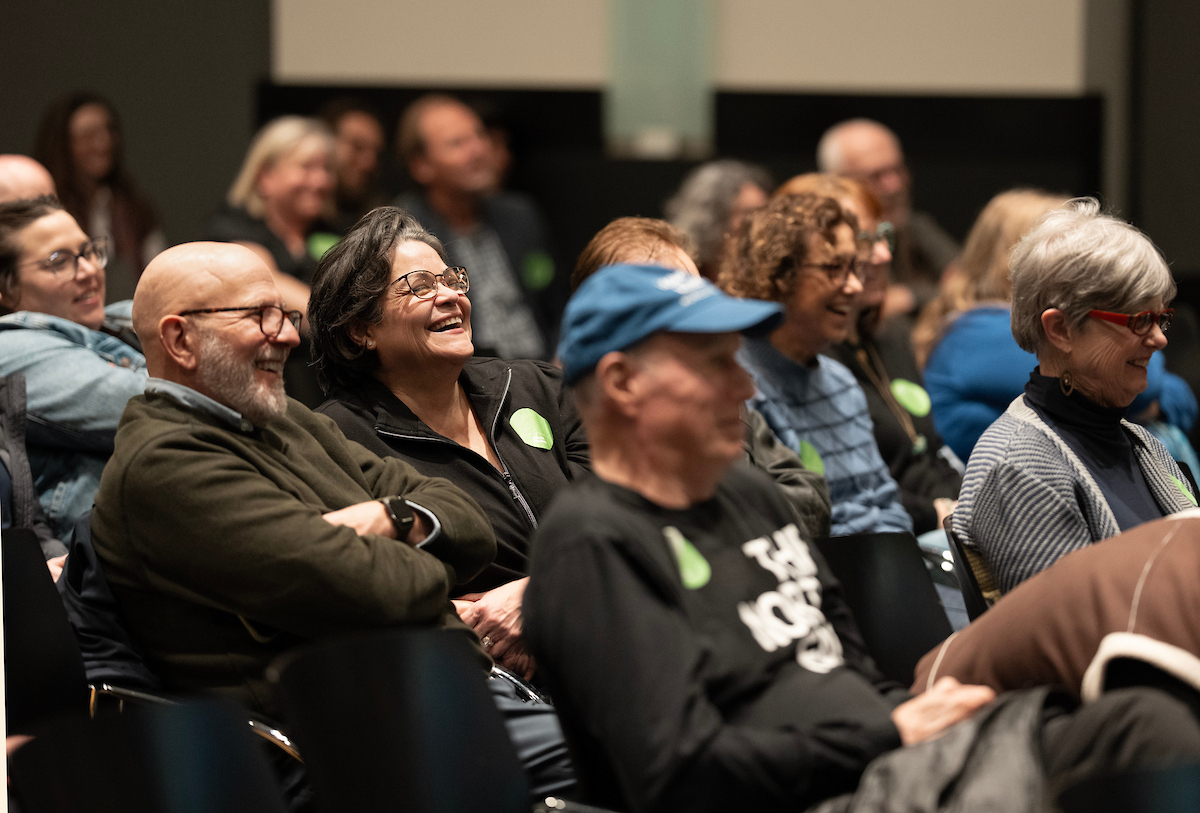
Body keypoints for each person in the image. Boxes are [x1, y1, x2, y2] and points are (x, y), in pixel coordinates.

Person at [523, 263, 1200, 813]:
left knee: (1142, 716)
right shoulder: (591, 542)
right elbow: (677, 775)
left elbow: (845, 667)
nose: (746, 384)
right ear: (623, 381)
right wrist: (889, 732)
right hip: (818, 793)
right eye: (714, 364)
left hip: (889, 764)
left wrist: (920, 716)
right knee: (1146, 738)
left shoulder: (750, 494)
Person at [89, 241, 574, 799]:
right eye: (260, 317)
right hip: (359, 735)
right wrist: (417, 541)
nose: (290, 336)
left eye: (286, 315)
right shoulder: (165, 466)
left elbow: (470, 528)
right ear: (180, 339)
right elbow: (380, 591)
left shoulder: (286, 420)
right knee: (635, 758)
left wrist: (389, 517)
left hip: (452, 690)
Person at [307, 207, 590, 679]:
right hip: (481, 683)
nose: (449, 296)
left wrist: (540, 595)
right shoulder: (337, 440)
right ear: (361, 330)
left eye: (452, 279)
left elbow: (630, 519)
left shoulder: (537, 388)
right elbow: (364, 592)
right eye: (419, 286)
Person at [952, 199, 1198, 594]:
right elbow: (1069, 635)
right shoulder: (1017, 466)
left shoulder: (1143, 443)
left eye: (1161, 318)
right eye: (1138, 320)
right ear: (1061, 330)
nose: (1160, 338)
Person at [573, 215, 831, 541]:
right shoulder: (583, 509)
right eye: (679, 310)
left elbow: (811, 495)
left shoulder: (728, 403)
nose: (745, 385)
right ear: (622, 381)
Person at [917, 189, 1197, 465]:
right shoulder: (972, 334)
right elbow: (1144, 387)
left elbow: (1173, 393)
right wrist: (1150, 403)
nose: (1159, 339)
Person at [719, 193, 912, 537]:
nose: (853, 286)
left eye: (855, 267)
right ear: (778, 274)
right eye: (834, 268)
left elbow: (886, 503)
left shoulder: (841, 382)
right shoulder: (740, 388)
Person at [779, 174, 961, 536]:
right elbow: (843, 488)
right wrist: (937, 514)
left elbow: (931, 452)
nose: (882, 254)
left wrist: (970, 505)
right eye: (864, 241)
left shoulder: (891, 338)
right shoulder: (810, 358)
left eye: (882, 236)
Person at [0, 196, 147, 540]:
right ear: (6, 288)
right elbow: (141, 403)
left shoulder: (117, 320)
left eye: (89, 251)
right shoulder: (9, 348)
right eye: (60, 261)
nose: (90, 271)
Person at [394, 94, 557, 359]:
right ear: (421, 165)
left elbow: (554, 301)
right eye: (458, 143)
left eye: (479, 136)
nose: (478, 150)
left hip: (542, 369)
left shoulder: (520, 215)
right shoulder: (405, 235)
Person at [207, 115, 341, 406]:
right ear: (265, 176)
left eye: (326, 169)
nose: (321, 181)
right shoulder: (236, 227)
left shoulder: (334, 233)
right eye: (307, 167)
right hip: (263, 389)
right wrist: (349, 325)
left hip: (331, 391)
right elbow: (265, 282)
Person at [817, 119, 958, 318]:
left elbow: (966, 283)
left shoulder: (914, 226)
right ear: (838, 182)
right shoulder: (823, 240)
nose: (894, 186)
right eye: (876, 175)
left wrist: (910, 296)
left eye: (897, 169)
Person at [34, 93, 165, 302]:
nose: (102, 143)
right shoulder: (46, 214)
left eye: (108, 131)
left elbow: (158, 276)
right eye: (88, 136)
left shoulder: (134, 209)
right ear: (64, 145)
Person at [664, 159, 772, 280]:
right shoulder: (679, 271)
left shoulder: (765, 275)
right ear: (712, 219)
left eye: (763, 213)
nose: (761, 223)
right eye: (747, 213)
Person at [318, 97, 388, 233]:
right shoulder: (301, 217)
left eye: (376, 153)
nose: (369, 163)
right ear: (326, 141)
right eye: (358, 146)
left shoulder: (379, 220)